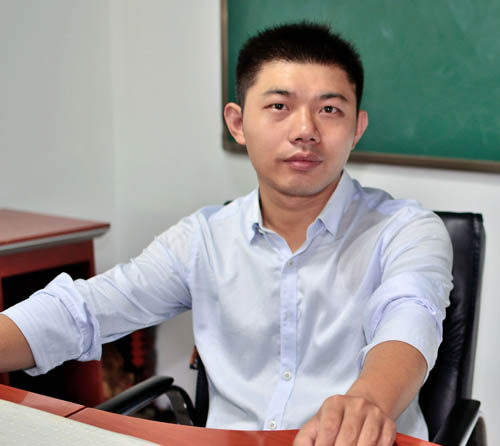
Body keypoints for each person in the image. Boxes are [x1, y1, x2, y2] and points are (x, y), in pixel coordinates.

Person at [0, 22, 452, 445]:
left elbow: (410, 316)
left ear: (357, 129)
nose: (305, 131)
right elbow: (84, 311)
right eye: (279, 106)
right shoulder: (204, 239)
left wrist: (366, 404)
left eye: (329, 110)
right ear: (238, 123)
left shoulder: (406, 230)